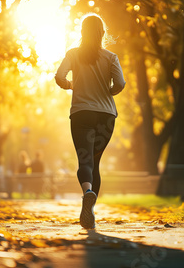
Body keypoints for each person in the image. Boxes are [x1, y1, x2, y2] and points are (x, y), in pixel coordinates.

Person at [55, 14, 126, 229]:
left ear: (82, 33)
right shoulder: (111, 57)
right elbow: (120, 84)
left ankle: (87, 192)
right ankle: (91, 208)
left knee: (84, 160)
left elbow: (59, 76)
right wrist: (108, 92)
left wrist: (71, 85)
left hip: (81, 113)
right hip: (106, 116)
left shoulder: (73, 54)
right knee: (96, 162)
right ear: (102, 33)